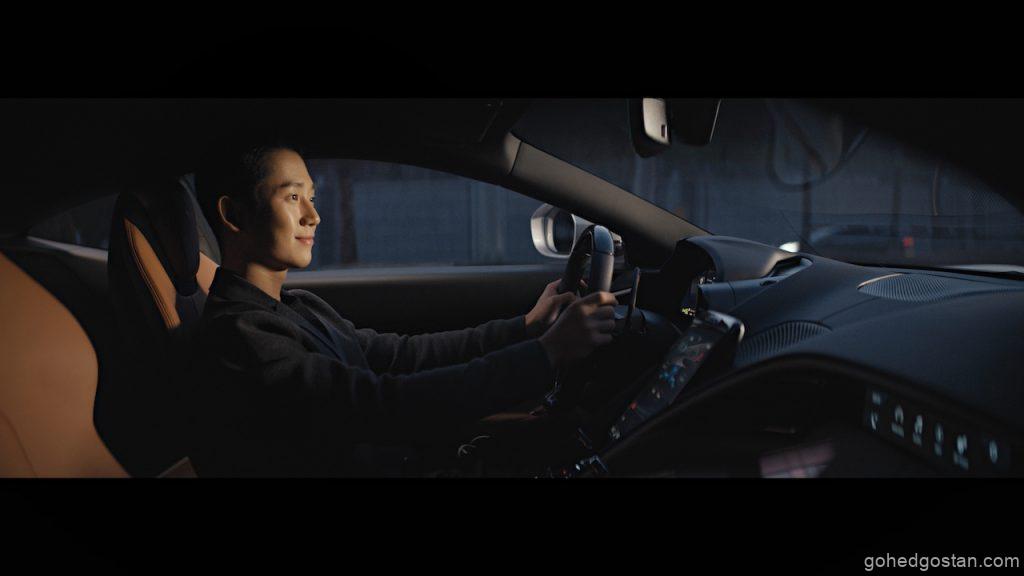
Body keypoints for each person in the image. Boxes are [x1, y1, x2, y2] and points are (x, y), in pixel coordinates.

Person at [190, 142, 617, 476]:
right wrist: (546, 353)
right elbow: (384, 406)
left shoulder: (297, 306)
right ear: (234, 214)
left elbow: (402, 356)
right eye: (292, 197)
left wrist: (526, 326)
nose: (313, 215)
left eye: (312, 197)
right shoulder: (241, 336)